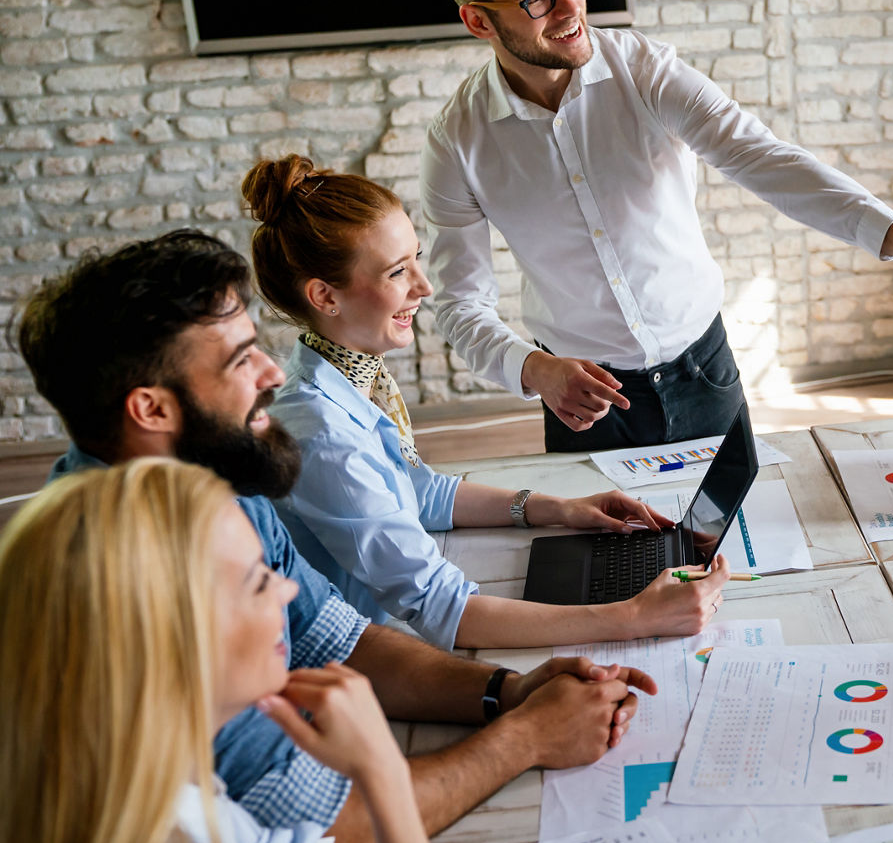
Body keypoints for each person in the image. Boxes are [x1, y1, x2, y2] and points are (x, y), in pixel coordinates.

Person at [16, 230, 657, 843]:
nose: (273, 372)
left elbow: (341, 641)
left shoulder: (212, 474)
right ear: (150, 408)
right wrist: (525, 739)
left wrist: (507, 692)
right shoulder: (121, 587)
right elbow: (326, 837)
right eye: (240, 360)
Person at [423, 0, 893, 452]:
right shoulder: (457, 141)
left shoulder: (645, 71)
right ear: (478, 21)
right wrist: (531, 368)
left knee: (735, 535)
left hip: (704, 366)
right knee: (611, 550)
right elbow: (457, 302)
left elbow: (762, 156)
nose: (572, 6)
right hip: (579, 397)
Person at [242, 155, 729, 650]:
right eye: (397, 272)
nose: (424, 286)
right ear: (325, 296)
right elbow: (441, 606)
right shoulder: (321, 436)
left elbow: (419, 493)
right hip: (363, 659)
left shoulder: (347, 374)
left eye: (416, 258)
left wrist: (560, 509)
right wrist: (634, 616)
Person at [0, 458, 450, 843]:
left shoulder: (156, 782)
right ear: (173, 645)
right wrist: (384, 776)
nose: (286, 591)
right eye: (258, 582)